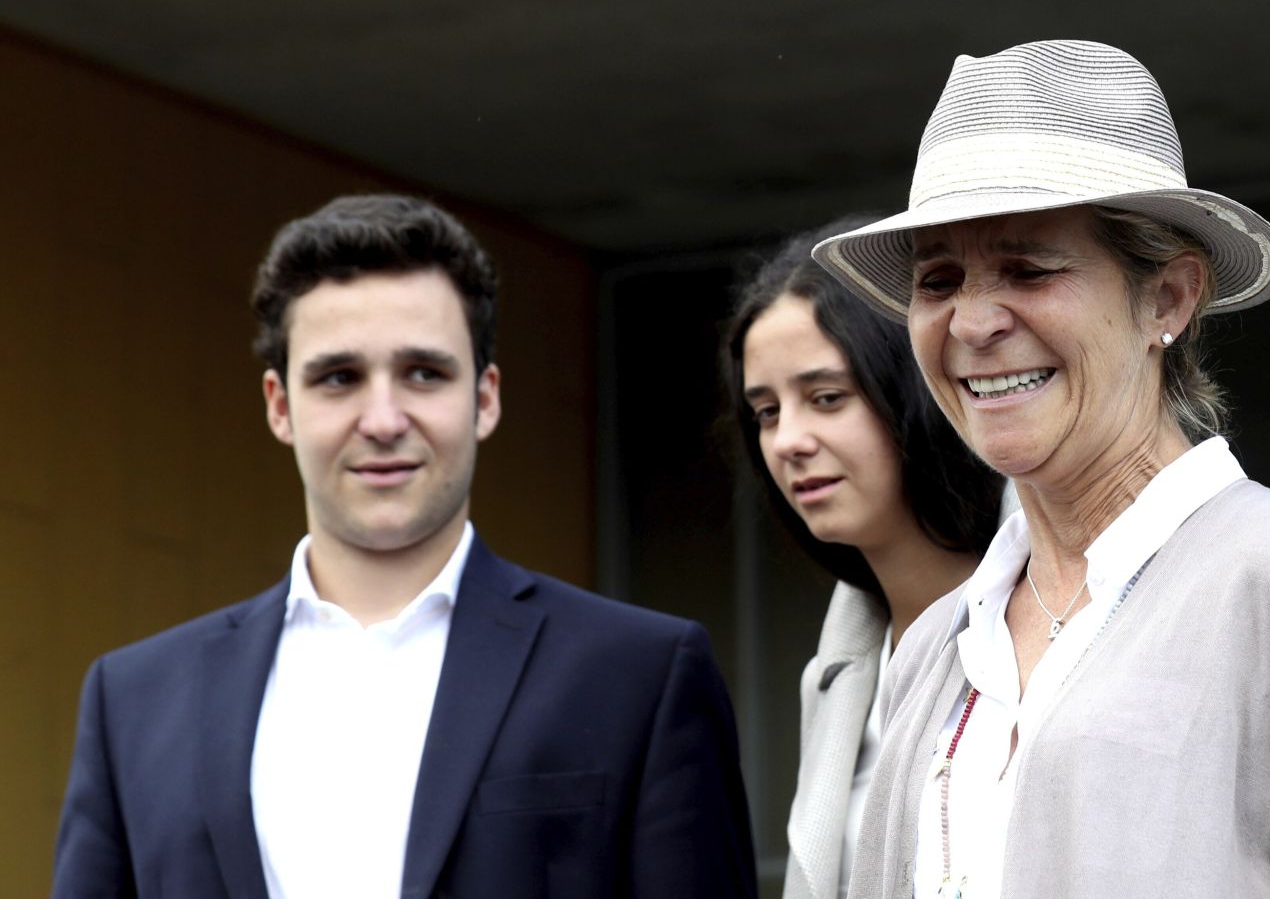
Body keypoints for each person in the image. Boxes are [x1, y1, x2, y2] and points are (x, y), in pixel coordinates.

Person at [809, 40, 1270, 899]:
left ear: (1167, 298)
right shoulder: (936, 651)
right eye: (939, 280)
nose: (973, 322)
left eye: (1029, 268)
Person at [52, 194, 757, 899]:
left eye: (424, 373)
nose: (384, 420)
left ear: (485, 398)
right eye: (339, 378)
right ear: (279, 405)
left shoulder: (641, 675)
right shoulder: (133, 700)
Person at [723, 220, 1012, 899]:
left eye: (827, 398)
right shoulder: (837, 672)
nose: (788, 441)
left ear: (918, 387)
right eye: (766, 412)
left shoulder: (1057, 619)